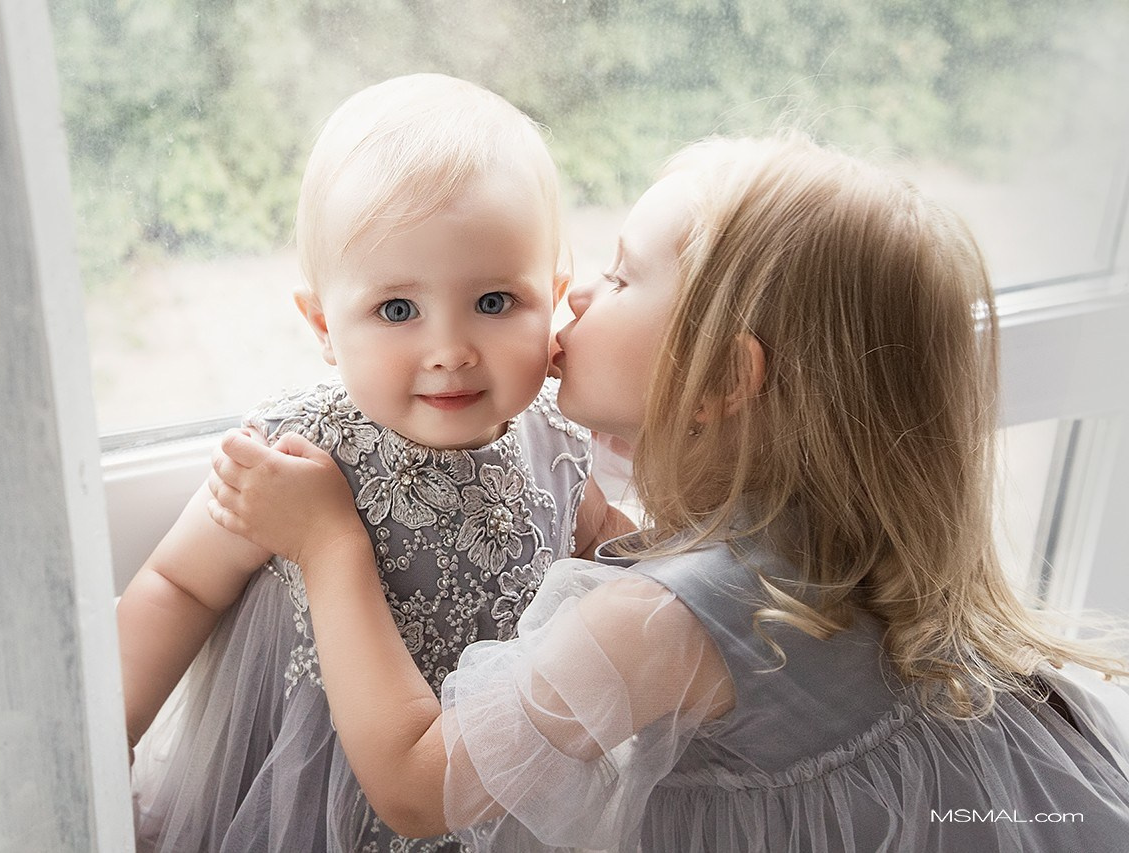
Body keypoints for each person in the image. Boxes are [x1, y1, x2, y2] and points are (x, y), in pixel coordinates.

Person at [207, 132, 1129, 852]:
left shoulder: (663, 622)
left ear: (727, 379)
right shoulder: (823, 527)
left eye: (617, 276)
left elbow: (416, 786)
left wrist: (330, 546)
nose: (572, 301)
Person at [118, 73, 629, 852]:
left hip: (488, 798)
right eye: (398, 310)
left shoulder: (556, 434)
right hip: (319, 799)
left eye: (495, 301)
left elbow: (603, 546)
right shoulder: (301, 452)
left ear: (552, 296)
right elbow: (180, 581)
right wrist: (104, 732)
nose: (450, 349)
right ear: (325, 325)